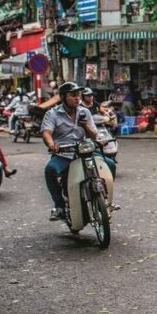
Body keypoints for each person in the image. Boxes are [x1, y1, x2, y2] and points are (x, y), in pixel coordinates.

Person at [42, 83, 114, 220]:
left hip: (85, 150)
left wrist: (85, 126)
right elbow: (47, 133)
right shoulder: (52, 114)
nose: (77, 98)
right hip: (64, 153)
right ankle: (59, 206)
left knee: (110, 165)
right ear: (63, 97)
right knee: (50, 170)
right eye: (73, 95)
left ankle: (107, 199)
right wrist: (52, 145)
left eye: (78, 95)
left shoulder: (84, 112)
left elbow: (94, 135)